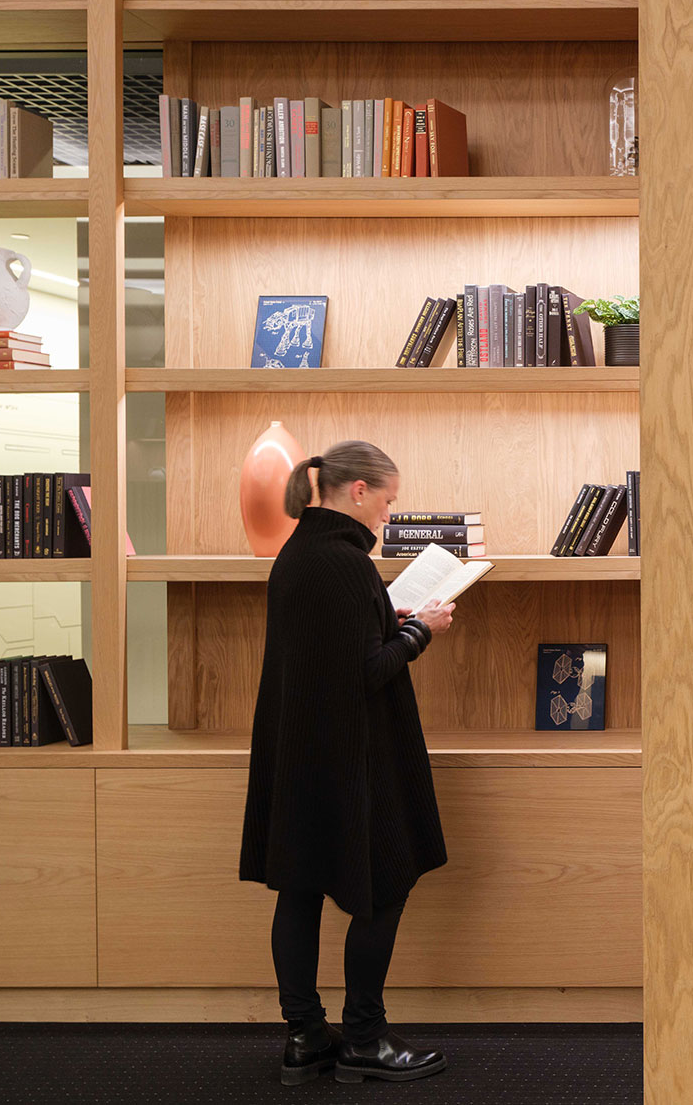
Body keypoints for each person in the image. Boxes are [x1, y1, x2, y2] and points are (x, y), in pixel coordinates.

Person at [239, 440, 456, 1085]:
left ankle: (305, 1036)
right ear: (358, 491)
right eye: (387, 504)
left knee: (300, 888)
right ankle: (364, 1036)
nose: (388, 518)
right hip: (348, 758)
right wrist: (421, 631)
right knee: (384, 884)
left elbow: (331, 647)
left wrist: (387, 616)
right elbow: (364, 672)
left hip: (300, 754)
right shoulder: (344, 563)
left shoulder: (299, 554)